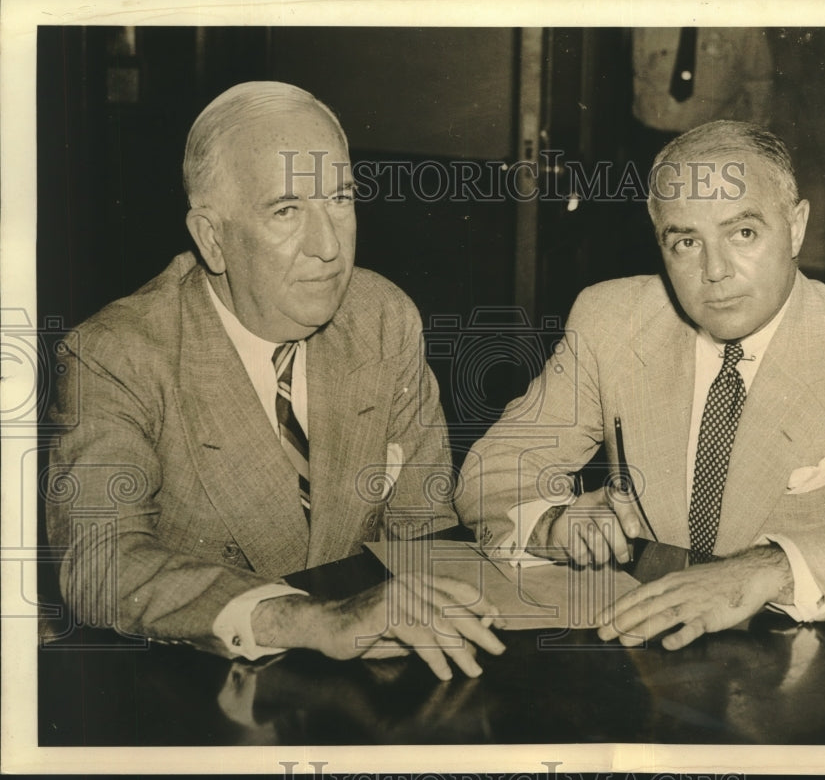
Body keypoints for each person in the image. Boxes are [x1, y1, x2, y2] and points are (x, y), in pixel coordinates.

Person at [46, 81, 505, 680]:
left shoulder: (382, 317)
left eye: (340, 199)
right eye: (287, 211)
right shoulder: (116, 355)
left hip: (361, 688)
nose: (329, 246)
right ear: (213, 238)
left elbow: (425, 529)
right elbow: (100, 564)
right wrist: (311, 621)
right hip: (193, 694)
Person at [457, 120, 825, 649]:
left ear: (796, 227)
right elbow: (491, 471)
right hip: (638, 649)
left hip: (784, 663)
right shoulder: (610, 319)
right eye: (686, 242)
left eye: (743, 233)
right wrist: (553, 523)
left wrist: (762, 570)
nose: (714, 270)